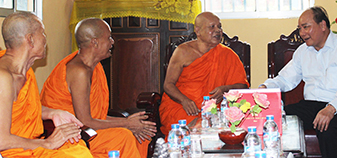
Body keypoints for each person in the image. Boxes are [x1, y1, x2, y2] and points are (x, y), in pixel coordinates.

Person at [40, 18, 157, 158]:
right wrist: (126, 124)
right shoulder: (78, 71)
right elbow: (85, 121)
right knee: (123, 136)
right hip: (71, 136)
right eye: (108, 38)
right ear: (94, 42)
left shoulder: (94, 67)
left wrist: (129, 123)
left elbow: (97, 116)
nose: (112, 42)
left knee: (142, 138)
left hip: (87, 129)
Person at [260, 6, 337, 158]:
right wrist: (265, 88)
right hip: (312, 105)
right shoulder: (303, 52)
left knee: (326, 126)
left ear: (322, 25)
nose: (302, 33)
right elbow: (285, 79)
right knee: (280, 117)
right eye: (300, 28)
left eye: (306, 27)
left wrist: (330, 109)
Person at [0, 12, 93, 157]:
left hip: (31, 146)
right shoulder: (3, 77)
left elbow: (20, 108)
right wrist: (47, 143)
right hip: (13, 153)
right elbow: (2, 141)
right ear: (30, 39)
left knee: (77, 146)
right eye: (42, 33)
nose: (45, 39)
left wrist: (53, 112)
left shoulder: (25, 71)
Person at [159, 12, 249, 137]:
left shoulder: (228, 54)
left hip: (215, 109)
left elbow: (243, 87)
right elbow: (168, 85)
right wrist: (184, 100)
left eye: (219, 26)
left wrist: (225, 89)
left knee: (213, 125)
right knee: (195, 128)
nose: (218, 31)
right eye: (212, 27)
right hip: (181, 105)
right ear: (198, 31)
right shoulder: (183, 51)